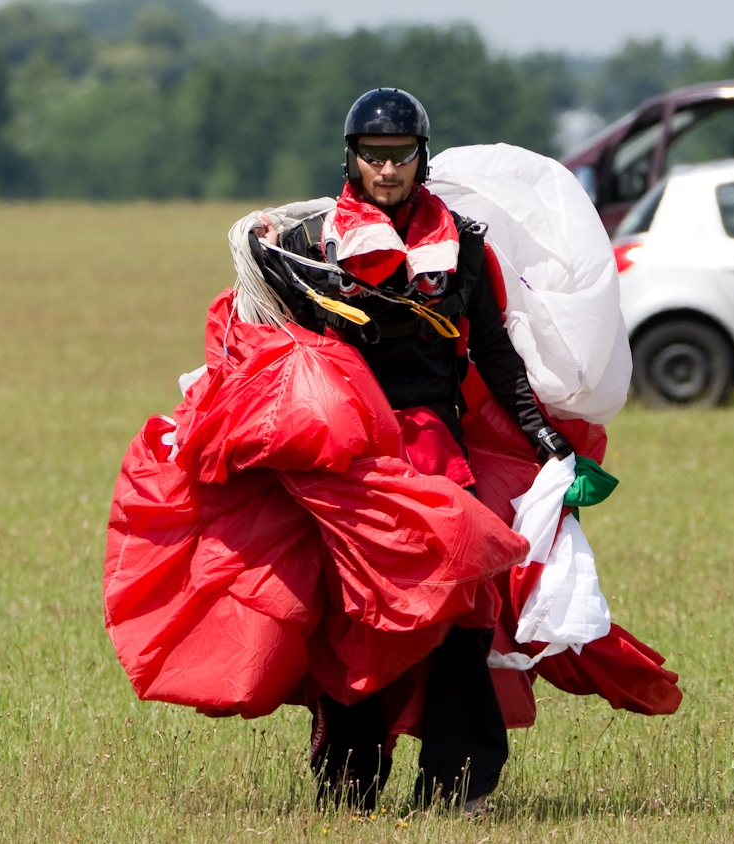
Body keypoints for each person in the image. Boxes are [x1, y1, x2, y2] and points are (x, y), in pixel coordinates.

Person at [248, 88, 576, 814]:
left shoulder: (460, 241)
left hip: (436, 450)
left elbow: (493, 354)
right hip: (351, 456)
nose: (386, 170)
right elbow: (278, 352)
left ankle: (459, 785)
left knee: (463, 612)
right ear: (352, 157)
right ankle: (349, 784)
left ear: (420, 157)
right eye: (373, 156)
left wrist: (547, 438)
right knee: (359, 617)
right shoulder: (311, 246)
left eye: (399, 156)